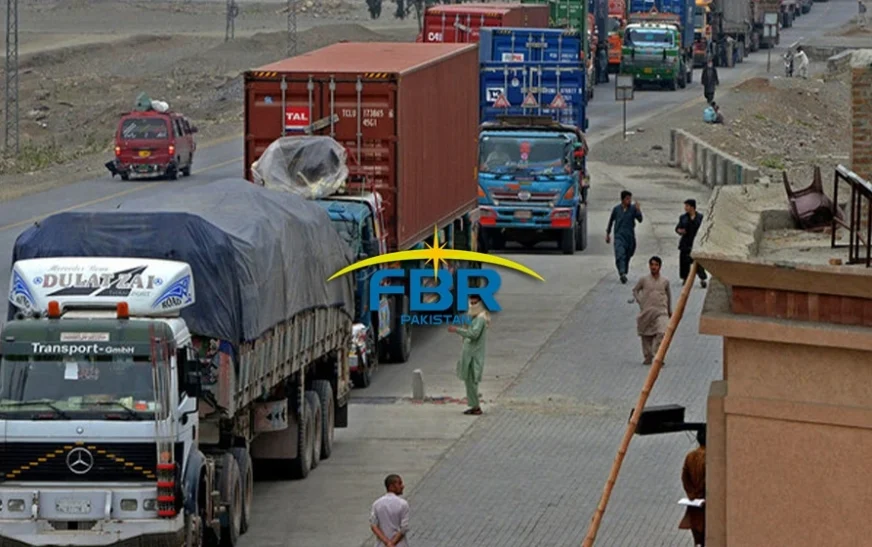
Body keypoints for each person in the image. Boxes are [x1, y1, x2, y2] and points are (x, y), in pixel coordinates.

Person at [448, 294, 490, 415]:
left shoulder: (481, 318)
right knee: (469, 381)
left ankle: (476, 407)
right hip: (469, 355)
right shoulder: (473, 317)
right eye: (471, 303)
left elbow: (473, 334)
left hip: (473, 356)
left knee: (472, 382)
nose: (472, 305)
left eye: (474, 303)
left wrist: (457, 330)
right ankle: (473, 405)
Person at [632, 256, 672, 365]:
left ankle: (658, 355)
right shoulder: (644, 280)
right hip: (647, 311)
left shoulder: (665, 281)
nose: (654, 267)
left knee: (662, 332)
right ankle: (648, 356)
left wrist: (669, 310)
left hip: (661, 311)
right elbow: (635, 290)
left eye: (656, 265)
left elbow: (668, 296)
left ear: (660, 266)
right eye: (652, 265)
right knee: (646, 334)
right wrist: (640, 301)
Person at [606, 190, 643, 284]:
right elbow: (611, 221)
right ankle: (622, 273)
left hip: (630, 237)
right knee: (620, 254)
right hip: (619, 236)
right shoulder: (616, 209)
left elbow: (640, 220)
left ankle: (624, 270)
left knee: (628, 254)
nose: (629, 201)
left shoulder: (633, 209)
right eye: (627, 199)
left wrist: (638, 210)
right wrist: (608, 234)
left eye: (630, 199)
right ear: (622, 200)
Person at [678, 429, 707, 546]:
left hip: (694, 504)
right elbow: (709, 479)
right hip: (706, 503)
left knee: (697, 538)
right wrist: (701, 493)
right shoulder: (711, 457)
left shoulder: (690, 456)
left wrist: (691, 494)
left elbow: (684, 477)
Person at [370, 474, 410, 547]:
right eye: (399, 483)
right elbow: (404, 528)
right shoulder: (403, 504)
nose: (402, 486)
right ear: (391, 486)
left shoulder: (377, 504)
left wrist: (386, 542)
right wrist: (392, 543)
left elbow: (374, 526)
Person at [676, 199, 709, 288]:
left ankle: (702, 279)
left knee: (698, 263)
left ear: (692, 207)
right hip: (685, 243)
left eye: (687, 206)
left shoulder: (700, 217)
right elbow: (678, 228)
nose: (685, 208)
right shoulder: (683, 217)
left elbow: (705, 229)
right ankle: (685, 278)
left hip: (697, 243)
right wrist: (680, 231)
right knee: (684, 262)